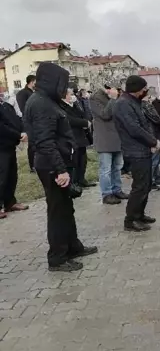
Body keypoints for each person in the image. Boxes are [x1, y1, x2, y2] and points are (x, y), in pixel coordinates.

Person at [23, 62, 97, 272]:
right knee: (57, 212)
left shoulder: (47, 100)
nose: (65, 88)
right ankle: (57, 257)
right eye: (63, 83)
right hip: (51, 166)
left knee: (66, 208)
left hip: (58, 163)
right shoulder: (41, 104)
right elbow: (45, 142)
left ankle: (73, 247)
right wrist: (60, 170)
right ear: (51, 81)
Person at [112, 76, 158, 232]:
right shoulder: (123, 104)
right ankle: (130, 220)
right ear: (138, 89)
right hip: (135, 150)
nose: (146, 91)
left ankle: (139, 214)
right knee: (139, 186)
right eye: (144, 88)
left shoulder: (133, 102)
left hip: (142, 148)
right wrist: (153, 142)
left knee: (146, 184)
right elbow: (134, 128)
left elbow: (143, 125)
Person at [90, 83, 128, 205]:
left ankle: (117, 190)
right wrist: (112, 99)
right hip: (105, 139)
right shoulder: (95, 98)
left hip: (117, 138)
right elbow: (104, 115)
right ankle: (107, 194)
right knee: (105, 169)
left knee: (117, 167)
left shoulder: (117, 96)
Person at [0, 93, 28, 220]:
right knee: (2, 177)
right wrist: (17, 135)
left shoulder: (5, 105)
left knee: (12, 175)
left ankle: (10, 202)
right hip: (1, 147)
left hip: (9, 145)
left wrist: (22, 132)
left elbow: (14, 119)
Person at [61, 86, 95, 188]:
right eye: (70, 94)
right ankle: (75, 181)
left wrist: (76, 104)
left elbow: (82, 114)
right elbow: (69, 120)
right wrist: (84, 122)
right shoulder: (62, 106)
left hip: (81, 136)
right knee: (75, 161)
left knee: (82, 160)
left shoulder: (74, 105)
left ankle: (82, 179)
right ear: (64, 95)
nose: (73, 96)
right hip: (72, 136)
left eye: (73, 94)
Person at [142, 96, 160, 190]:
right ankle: (150, 182)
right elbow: (156, 117)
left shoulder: (143, 105)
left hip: (153, 133)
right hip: (153, 134)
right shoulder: (145, 105)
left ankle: (157, 178)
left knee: (156, 159)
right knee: (154, 159)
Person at [16, 74, 36, 173]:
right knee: (32, 145)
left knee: (37, 144)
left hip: (36, 122)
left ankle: (37, 164)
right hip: (29, 122)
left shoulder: (34, 92)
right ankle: (33, 166)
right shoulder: (22, 93)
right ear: (32, 82)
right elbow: (23, 109)